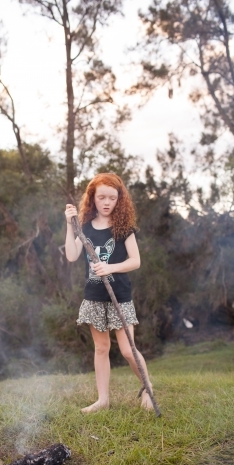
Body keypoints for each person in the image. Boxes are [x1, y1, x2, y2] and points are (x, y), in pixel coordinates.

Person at [64, 172, 154, 413]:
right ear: (92, 198)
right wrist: (69, 225)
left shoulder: (124, 229)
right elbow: (72, 255)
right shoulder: (84, 228)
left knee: (127, 350)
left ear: (119, 200)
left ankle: (147, 388)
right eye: (101, 197)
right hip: (94, 297)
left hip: (120, 297)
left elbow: (135, 261)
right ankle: (103, 399)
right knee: (101, 348)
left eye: (112, 198)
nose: (106, 202)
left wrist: (110, 267)